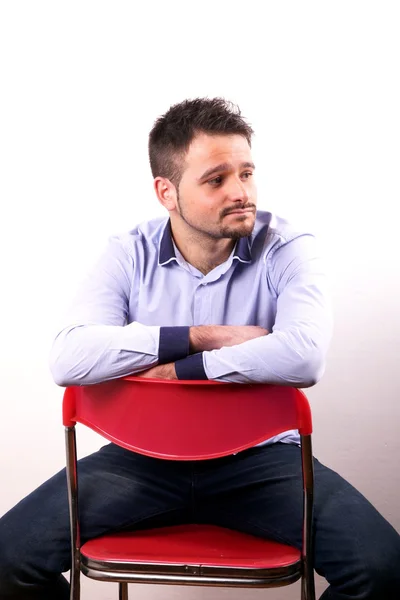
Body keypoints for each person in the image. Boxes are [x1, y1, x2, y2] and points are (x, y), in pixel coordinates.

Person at [0, 98, 399, 600]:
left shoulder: (289, 247)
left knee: (383, 569)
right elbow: (69, 357)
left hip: (260, 463)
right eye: (216, 179)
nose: (242, 192)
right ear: (167, 192)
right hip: (142, 461)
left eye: (247, 173)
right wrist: (203, 334)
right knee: (7, 559)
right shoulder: (128, 253)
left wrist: (184, 368)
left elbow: (303, 355)